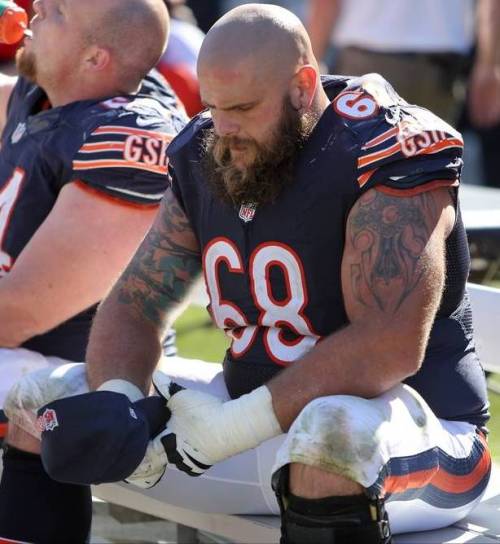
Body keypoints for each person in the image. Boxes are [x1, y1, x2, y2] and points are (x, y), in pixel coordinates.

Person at [3, 4, 492, 544]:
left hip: (418, 437)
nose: (224, 129)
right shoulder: (206, 147)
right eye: (213, 106)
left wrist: (235, 426)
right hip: (257, 427)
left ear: (303, 87)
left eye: (242, 107)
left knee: (331, 433)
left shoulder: (381, 145)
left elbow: (390, 345)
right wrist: (124, 401)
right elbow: (135, 303)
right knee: (41, 403)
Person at [0, 0, 187, 541]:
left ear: (96, 57)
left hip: (79, 366)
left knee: (45, 395)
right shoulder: (45, 93)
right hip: (24, 353)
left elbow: (19, 313)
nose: (32, 11)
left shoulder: (127, 134)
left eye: (54, 11)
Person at [307, 0, 500, 130]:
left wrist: (311, 62)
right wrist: (488, 65)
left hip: (364, 65)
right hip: (437, 72)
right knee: (430, 174)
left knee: (357, 172)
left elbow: (327, 5)